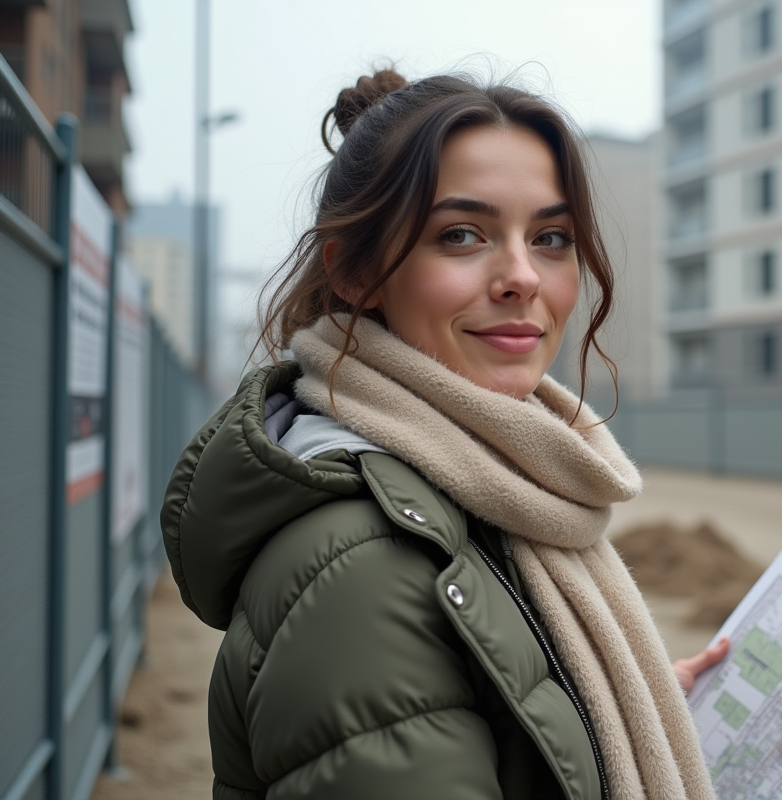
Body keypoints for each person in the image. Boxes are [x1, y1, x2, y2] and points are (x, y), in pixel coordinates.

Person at [161, 69, 730, 800]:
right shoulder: (364, 567)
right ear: (358, 273)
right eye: (462, 235)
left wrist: (617, 717)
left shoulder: (485, 494)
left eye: (551, 238)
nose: (523, 276)